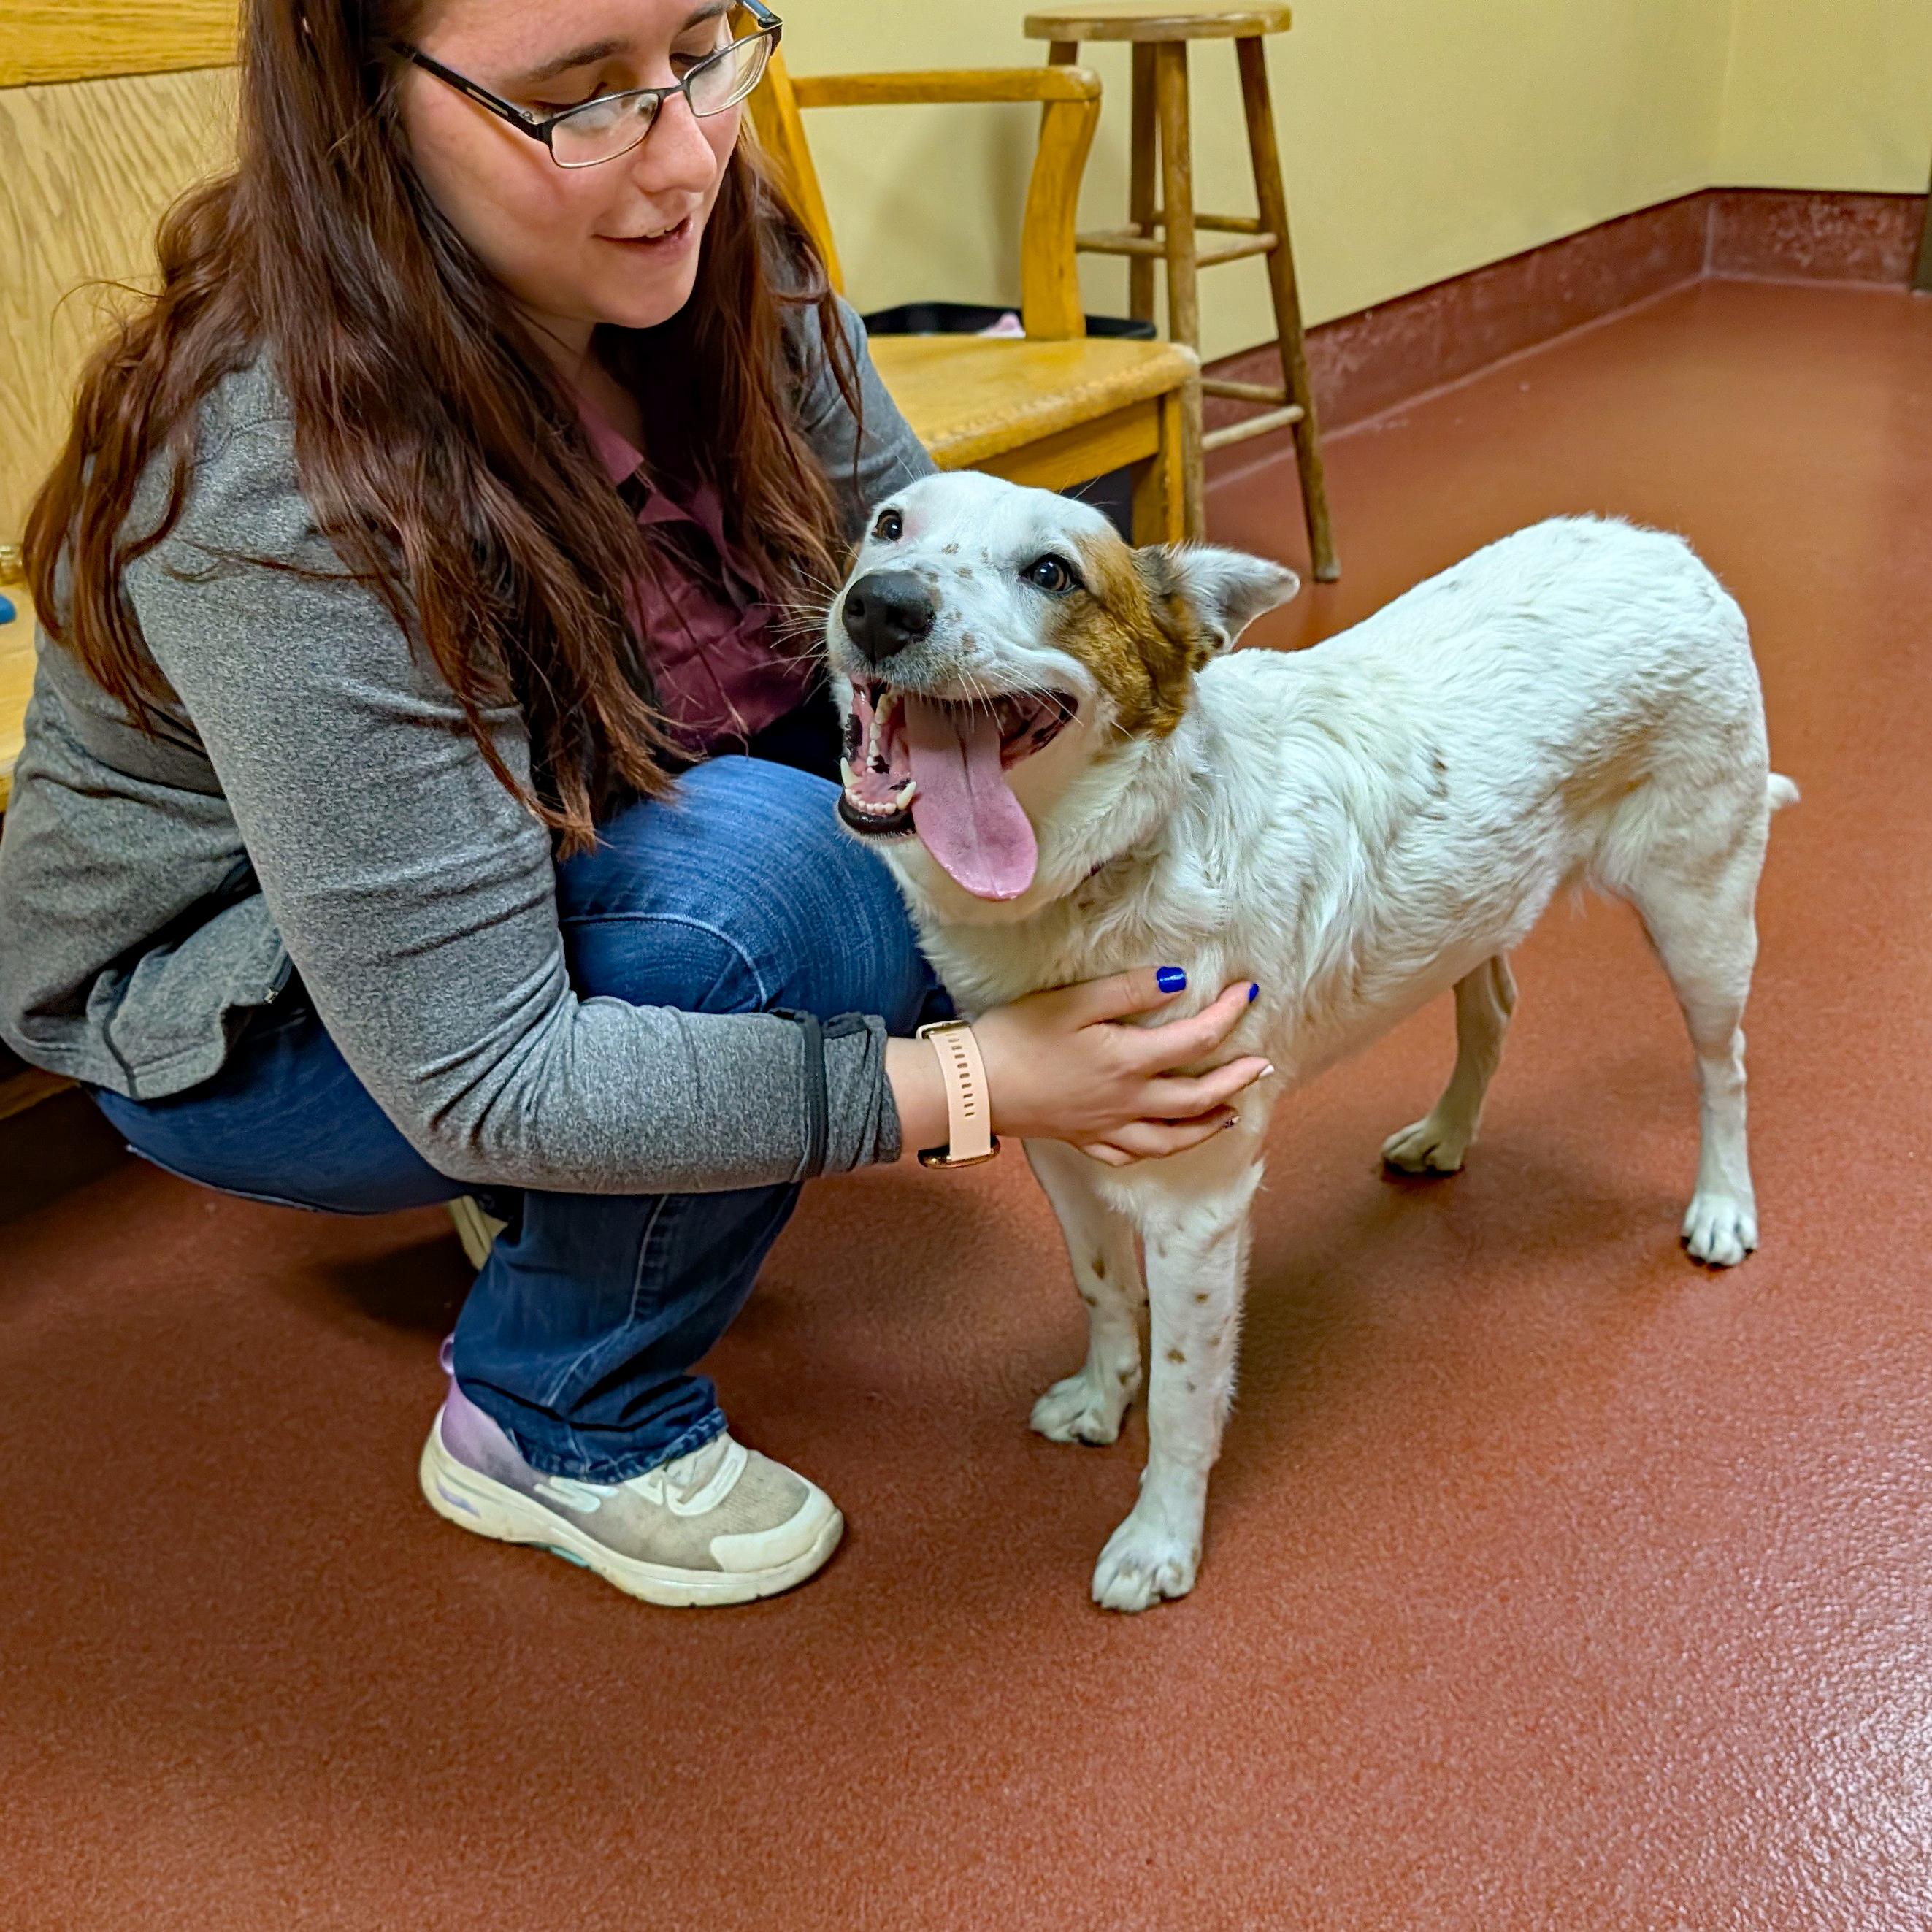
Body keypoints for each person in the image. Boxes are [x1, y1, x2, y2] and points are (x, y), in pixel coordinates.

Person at [0, 0, 1268, 1606]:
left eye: (700, 52)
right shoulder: (278, 479)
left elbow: (915, 602)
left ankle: (594, 1162)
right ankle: (558, 1409)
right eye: (575, 102)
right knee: (801, 894)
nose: (682, 155)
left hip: (547, 828)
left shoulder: (719, 254)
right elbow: (482, 1071)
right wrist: (979, 1082)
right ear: (369, 111)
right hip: (237, 1009)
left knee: (885, 795)